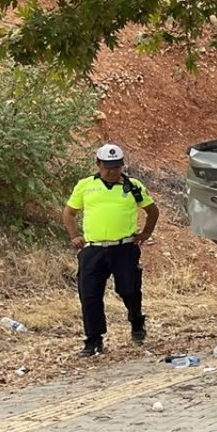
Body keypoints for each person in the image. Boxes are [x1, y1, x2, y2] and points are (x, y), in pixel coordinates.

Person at [63, 144, 160, 357]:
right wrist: (74, 236)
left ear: (122, 165)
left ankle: (136, 321)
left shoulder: (133, 186)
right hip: (93, 249)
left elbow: (152, 211)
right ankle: (93, 341)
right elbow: (69, 213)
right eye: (107, 166)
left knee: (128, 290)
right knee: (89, 295)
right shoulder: (85, 186)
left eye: (116, 167)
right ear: (98, 165)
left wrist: (145, 234)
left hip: (124, 248)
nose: (112, 171)